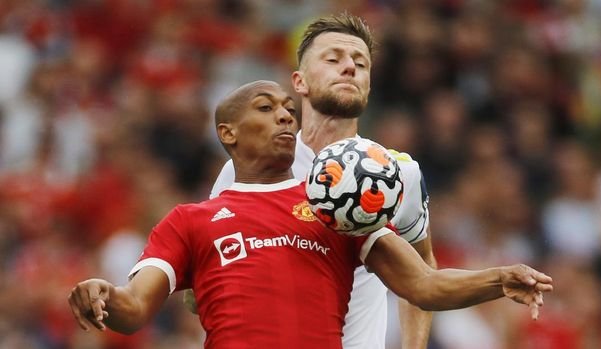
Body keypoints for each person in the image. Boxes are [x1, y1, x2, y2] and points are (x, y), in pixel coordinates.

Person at [68, 80, 553, 349]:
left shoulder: (336, 207)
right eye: (265, 107)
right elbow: (133, 310)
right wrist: (102, 293)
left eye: (288, 108)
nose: (285, 116)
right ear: (228, 133)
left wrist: (497, 279)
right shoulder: (190, 220)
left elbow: (423, 285)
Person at [201, 12, 436, 349]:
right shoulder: (248, 169)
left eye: (361, 63)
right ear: (300, 82)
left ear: (368, 86)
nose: (350, 68)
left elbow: (424, 269)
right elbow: (206, 271)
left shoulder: (399, 175)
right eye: (333, 59)